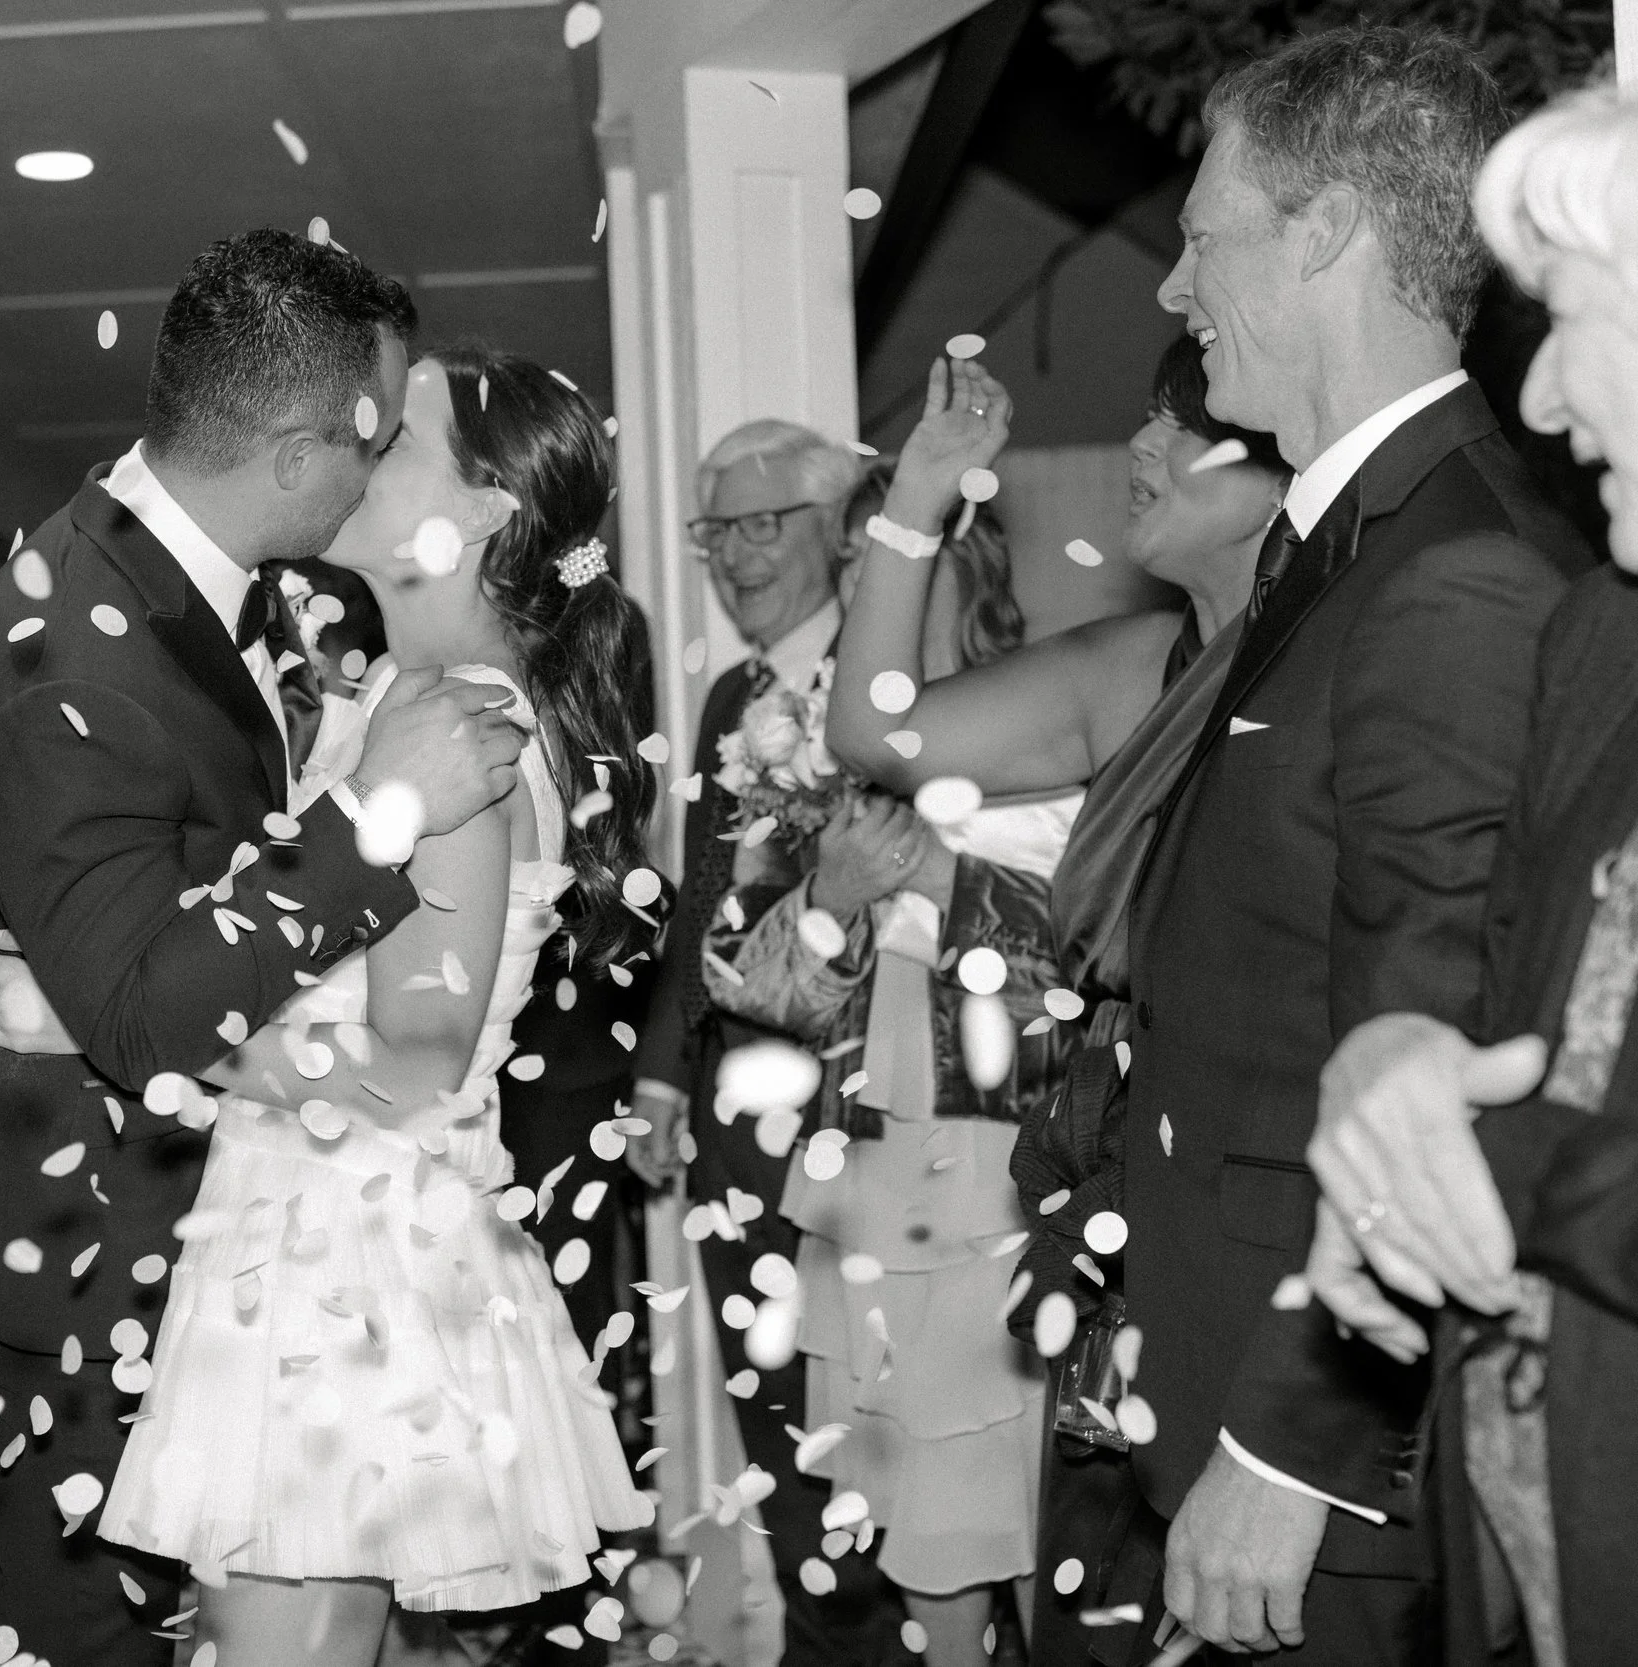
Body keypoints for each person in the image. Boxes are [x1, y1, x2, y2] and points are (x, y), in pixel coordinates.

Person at [1000, 26, 1590, 1662]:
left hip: (1320, 1471)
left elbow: (1431, 1043)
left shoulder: (1450, 566)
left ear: (1324, 227)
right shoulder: (1343, 545)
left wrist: (1289, 1443)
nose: (1177, 293)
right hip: (1220, 1384)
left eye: (1203, 233)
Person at [0, 228, 531, 1666]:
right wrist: (371, 816)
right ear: (303, 456)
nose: (376, 473)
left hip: (197, 1192)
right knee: (108, 1632)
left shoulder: (200, 574)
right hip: (64, 1233)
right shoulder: (68, 658)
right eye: (371, 440)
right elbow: (138, 1013)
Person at [1302, 60, 1638, 1666]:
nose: (1539, 404)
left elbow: (1549, 1138)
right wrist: (1392, 1075)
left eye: (1573, 327)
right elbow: (1506, 1012)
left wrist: (1505, 1166)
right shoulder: (1625, 639)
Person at [828, 335, 1287, 1661]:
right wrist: (920, 492)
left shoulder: (1349, 651)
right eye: (1146, 416)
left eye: (1177, 424)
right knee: (1096, 1590)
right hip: (1101, 1175)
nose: (1140, 447)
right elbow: (874, 730)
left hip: (1250, 1172)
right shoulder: (1124, 664)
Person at [701, 479, 1071, 1667]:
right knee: (921, 1522)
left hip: (1023, 1176)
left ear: (974, 567)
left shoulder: (1065, 712)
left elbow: (1098, 957)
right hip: (876, 1174)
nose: (873, 582)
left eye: (906, 553)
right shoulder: (818, 754)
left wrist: (939, 886)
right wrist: (830, 898)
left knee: (1048, 1507)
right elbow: (744, 982)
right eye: (861, 559)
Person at [626, 418, 898, 1665]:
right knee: (771, 1414)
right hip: (735, 1118)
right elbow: (697, 893)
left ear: (838, 529)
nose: (732, 556)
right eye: (713, 530)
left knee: (867, 1424)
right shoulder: (733, 693)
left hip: (859, 1116)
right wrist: (659, 1067)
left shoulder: (891, 675)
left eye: (760, 523)